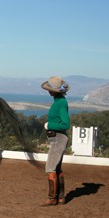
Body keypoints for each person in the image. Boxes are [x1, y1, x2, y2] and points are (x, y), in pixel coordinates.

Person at [40, 76, 70, 206]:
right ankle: (61, 197)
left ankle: (52, 198)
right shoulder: (59, 101)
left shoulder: (60, 103)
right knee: (57, 168)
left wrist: (49, 125)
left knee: (50, 168)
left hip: (58, 139)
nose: (48, 91)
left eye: (50, 89)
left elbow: (65, 124)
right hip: (57, 139)